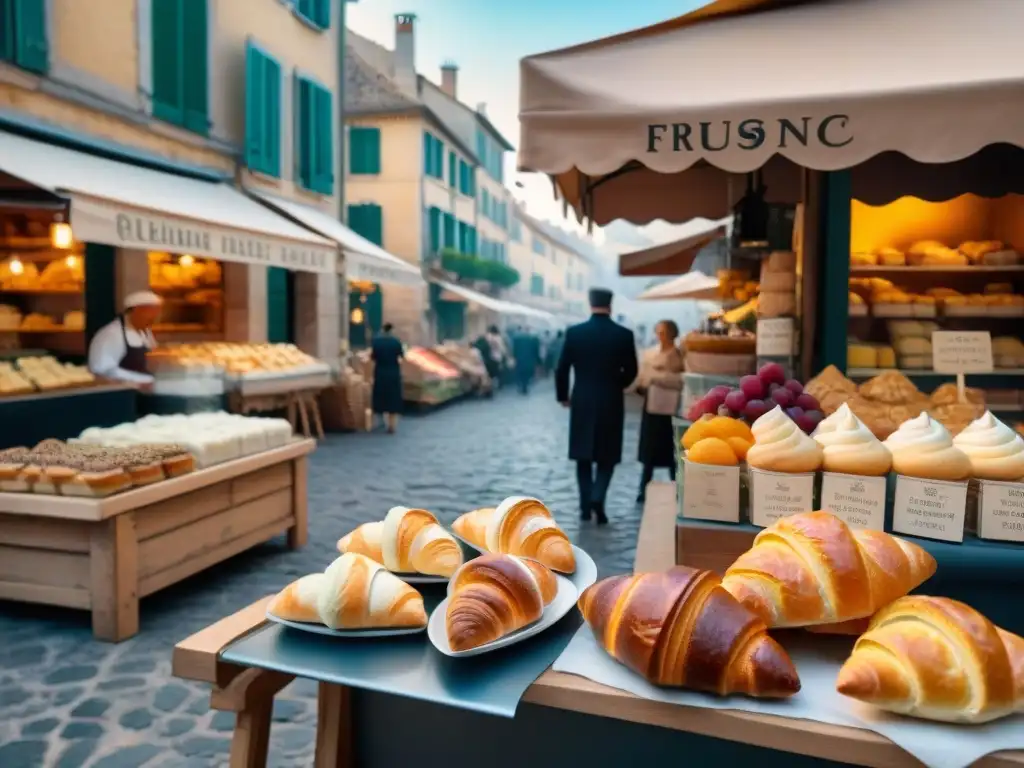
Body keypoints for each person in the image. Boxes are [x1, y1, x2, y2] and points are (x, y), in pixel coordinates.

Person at [556, 288, 638, 525]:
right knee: (607, 455)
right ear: (610, 306)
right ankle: (598, 497)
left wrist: (564, 396)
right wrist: (616, 385)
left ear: (590, 304)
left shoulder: (574, 333)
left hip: (581, 399)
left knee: (583, 456)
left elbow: (561, 368)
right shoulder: (624, 335)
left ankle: (584, 507)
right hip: (611, 399)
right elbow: (632, 371)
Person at [635, 320, 685, 503]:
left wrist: (656, 377)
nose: (660, 336)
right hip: (652, 407)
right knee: (649, 452)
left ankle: (677, 486)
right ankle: (643, 488)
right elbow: (642, 380)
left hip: (669, 409)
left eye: (663, 332)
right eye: (658, 332)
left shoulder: (678, 356)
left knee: (670, 450)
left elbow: (680, 380)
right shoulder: (651, 354)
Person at [87, 290, 162, 390]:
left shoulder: (145, 331)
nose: (154, 320)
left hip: (144, 392)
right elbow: (103, 370)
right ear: (135, 311)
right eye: (150, 315)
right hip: (122, 394)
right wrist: (143, 380)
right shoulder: (111, 335)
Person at [371, 323, 404, 433]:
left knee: (380, 398)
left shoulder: (376, 342)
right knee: (393, 400)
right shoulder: (396, 342)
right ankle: (392, 425)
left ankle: (379, 422)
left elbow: (373, 357)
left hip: (380, 372)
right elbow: (401, 356)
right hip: (393, 372)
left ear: (382, 330)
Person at [511, 326, 537, 394]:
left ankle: (521, 385)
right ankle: (525, 386)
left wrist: (514, 356)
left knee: (520, 372)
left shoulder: (517, 339)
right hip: (529, 359)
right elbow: (535, 350)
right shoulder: (531, 339)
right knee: (526, 373)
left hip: (519, 358)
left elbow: (514, 349)